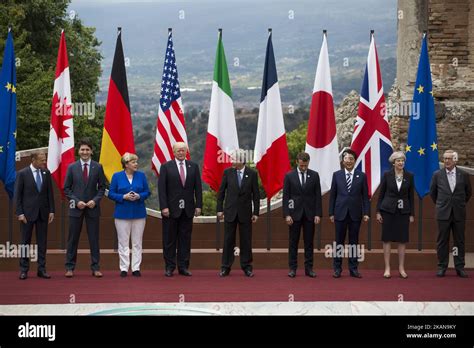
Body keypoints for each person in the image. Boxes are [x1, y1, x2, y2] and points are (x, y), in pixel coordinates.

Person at [158, 142, 203, 277]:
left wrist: (199, 205)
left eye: (183, 150)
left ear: (186, 151)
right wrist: (164, 207)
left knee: (185, 239)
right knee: (169, 239)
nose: (181, 153)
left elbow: (198, 188)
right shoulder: (166, 167)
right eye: (178, 151)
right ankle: (170, 267)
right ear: (173, 152)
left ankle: (183, 267)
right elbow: (162, 190)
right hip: (170, 210)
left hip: (188, 210)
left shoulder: (193, 167)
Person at [64, 139, 106, 278]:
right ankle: (70, 268)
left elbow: (102, 188)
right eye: (82, 149)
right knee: (73, 239)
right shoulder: (72, 167)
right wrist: (76, 201)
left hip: (93, 209)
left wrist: (95, 201)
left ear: (91, 151)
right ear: (78, 151)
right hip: (76, 209)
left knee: (94, 239)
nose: (85, 152)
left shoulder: (98, 167)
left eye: (87, 149)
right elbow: (67, 189)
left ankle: (95, 268)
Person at [217, 149, 260, 277]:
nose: (231, 161)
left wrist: (256, 212)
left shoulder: (252, 174)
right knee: (228, 240)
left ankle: (247, 267)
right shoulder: (227, 173)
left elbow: (256, 195)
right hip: (230, 212)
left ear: (241, 161)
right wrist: (219, 209)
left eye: (234, 159)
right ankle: (225, 267)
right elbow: (221, 193)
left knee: (246, 240)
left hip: (245, 213)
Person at [430, 150, 472, 278]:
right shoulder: (437, 174)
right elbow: (433, 194)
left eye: (449, 158)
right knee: (442, 241)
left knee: (459, 241)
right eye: (445, 158)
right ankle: (442, 266)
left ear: (455, 160)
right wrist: (442, 205)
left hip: (458, 213)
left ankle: (459, 267)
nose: (446, 161)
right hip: (443, 213)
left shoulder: (463, 175)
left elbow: (468, 193)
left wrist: (458, 204)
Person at [329, 148, 369, 278]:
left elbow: (364, 197)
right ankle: (337, 268)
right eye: (346, 159)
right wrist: (331, 213)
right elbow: (333, 196)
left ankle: (353, 268)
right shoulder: (337, 175)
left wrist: (366, 213)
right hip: (340, 213)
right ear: (343, 161)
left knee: (354, 242)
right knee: (339, 242)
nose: (349, 161)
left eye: (351, 159)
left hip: (355, 213)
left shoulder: (362, 176)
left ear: (354, 161)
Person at [108, 153, 150, 277]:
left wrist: (139, 196)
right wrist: (123, 197)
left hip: (139, 213)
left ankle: (136, 267)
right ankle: (124, 268)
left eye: (136, 162)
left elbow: (147, 192)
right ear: (126, 164)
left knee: (137, 242)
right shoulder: (117, 176)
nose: (136, 164)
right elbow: (111, 193)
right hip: (122, 213)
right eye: (133, 162)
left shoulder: (141, 176)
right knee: (123, 242)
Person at [14, 152, 55, 280]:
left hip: (43, 214)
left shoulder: (46, 173)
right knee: (25, 242)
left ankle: (41, 269)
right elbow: (17, 195)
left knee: (42, 242)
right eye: (42, 160)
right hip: (27, 215)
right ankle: (24, 269)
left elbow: (50, 193)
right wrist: (19, 213)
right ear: (33, 160)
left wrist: (52, 211)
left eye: (45, 160)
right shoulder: (22, 174)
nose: (44, 162)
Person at [283, 152, 322, 278]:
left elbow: (317, 196)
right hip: (294, 215)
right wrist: (287, 214)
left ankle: (309, 268)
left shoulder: (314, 175)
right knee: (293, 242)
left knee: (309, 242)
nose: (304, 168)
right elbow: (286, 197)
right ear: (297, 162)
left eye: (305, 165)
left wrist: (317, 214)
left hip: (310, 214)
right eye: (301, 166)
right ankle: (292, 268)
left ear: (308, 163)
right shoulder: (289, 176)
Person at [376, 151, 414, 279]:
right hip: (387, 210)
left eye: (402, 160)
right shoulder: (387, 175)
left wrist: (411, 214)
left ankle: (401, 268)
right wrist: (378, 212)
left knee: (402, 240)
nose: (401, 163)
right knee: (387, 239)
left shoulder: (409, 176)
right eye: (398, 161)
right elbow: (381, 194)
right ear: (393, 163)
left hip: (403, 212)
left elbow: (411, 196)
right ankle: (387, 268)